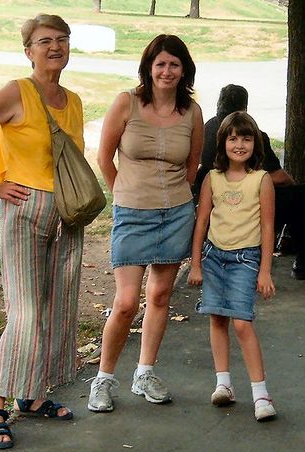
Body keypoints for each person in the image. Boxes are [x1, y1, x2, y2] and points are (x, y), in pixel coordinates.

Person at [0, 14, 84, 449]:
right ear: (28, 50)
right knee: (25, 313)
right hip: (24, 211)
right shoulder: (17, 92)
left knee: (55, 308)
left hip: (66, 215)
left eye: (62, 39)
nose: (55, 47)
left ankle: (31, 394)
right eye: (44, 41)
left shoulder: (73, 100)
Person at [88, 34, 204, 412]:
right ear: (149, 68)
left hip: (176, 214)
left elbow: (192, 166)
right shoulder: (127, 102)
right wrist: (124, 194)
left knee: (159, 296)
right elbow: (104, 158)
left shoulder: (192, 112)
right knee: (125, 303)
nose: (167, 71)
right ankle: (103, 379)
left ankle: (145, 373)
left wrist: (177, 199)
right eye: (160, 64)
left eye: (174, 64)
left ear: (184, 70)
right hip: (132, 214)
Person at [194, 84, 305, 281]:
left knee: (296, 200)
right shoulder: (252, 136)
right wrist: (291, 185)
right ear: (244, 108)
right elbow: (279, 177)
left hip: (216, 202)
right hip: (251, 202)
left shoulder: (208, 128)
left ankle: (291, 239)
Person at [188, 111, 277, 421]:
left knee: (241, 323)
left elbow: (268, 227)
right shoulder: (212, 178)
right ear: (222, 143)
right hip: (214, 257)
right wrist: (195, 263)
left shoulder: (261, 180)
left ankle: (261, 393)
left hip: (246, 259)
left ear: (256, 144)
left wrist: (265, 270)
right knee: (217, 319)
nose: (239, 145)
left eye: (246, 139)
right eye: (233, 138)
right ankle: (223, 383)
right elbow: (201, 222)